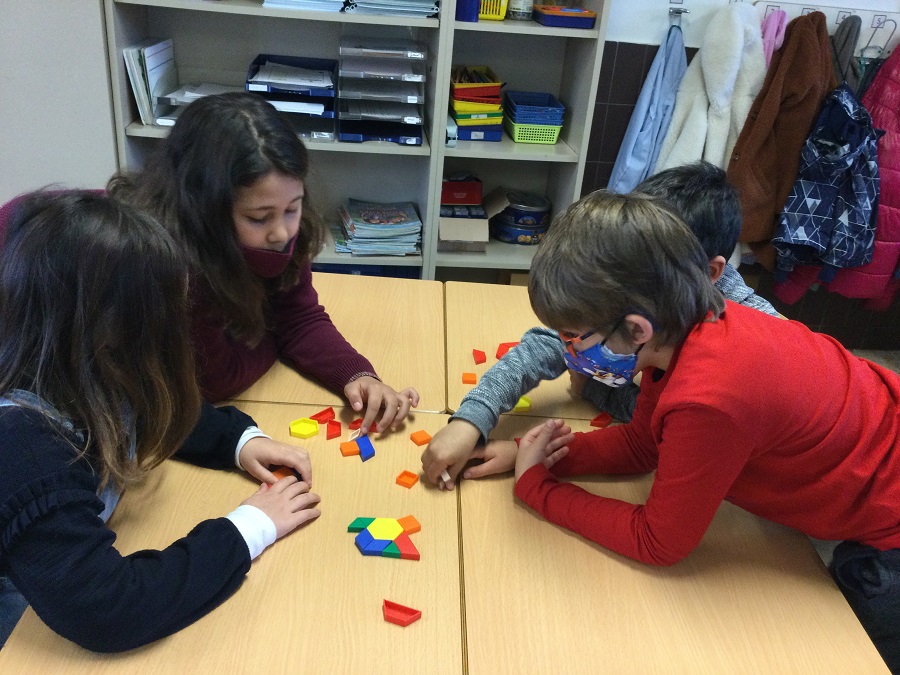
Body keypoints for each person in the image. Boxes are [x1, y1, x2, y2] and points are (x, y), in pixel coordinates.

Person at [469, 190, 900, 672]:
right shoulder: (684, 329)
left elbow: (659, 542)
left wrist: (537, 489)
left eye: (573, 336)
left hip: (890, 519)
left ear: (637, 329)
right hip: (880, 440)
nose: (567, 351)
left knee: (854, 638)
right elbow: (643, 445)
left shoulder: (709, 396)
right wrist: (535, 453)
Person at [0, 191, 321, 652]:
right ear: (104, 327)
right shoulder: (23, 444)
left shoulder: (85, 361)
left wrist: (237, 440)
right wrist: (249, 527)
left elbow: (151, 405)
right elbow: (110, 610)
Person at [421, 161, 778, 489]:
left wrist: (597, 391)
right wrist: (472, 419)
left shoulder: (745, 344)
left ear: (709, 272)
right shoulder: (652, 293)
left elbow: (669, 435)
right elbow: (552, 343)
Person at [108, 92, 417, 435]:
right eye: (258, 218)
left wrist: (358, 374)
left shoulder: (280, 228)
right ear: (205, 210)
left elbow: (298, 318)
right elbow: (216, 381)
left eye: (293, 208)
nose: (282, 233)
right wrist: (276, 332)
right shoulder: (175, 261)